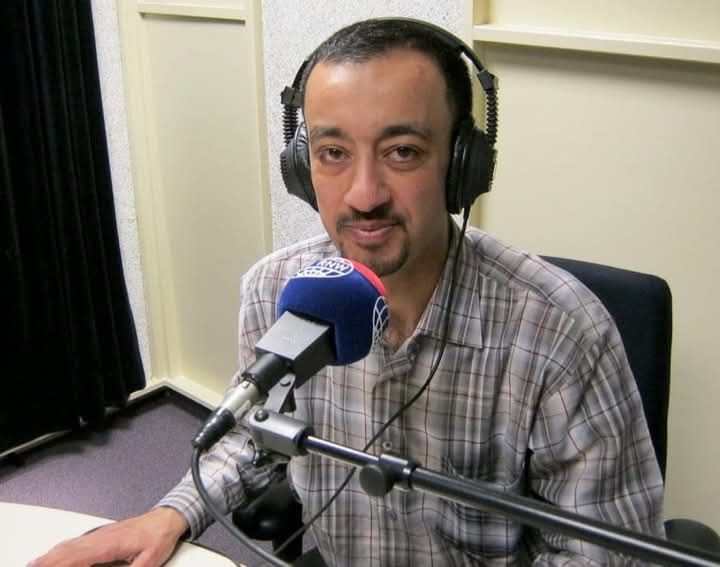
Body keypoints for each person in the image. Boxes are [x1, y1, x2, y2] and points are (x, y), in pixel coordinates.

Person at [31, 18, 664, 566]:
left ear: (462, 164)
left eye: (403, 151)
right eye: (333, 152)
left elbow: (606, 552)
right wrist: (167, 515)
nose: (363, 194)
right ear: (301, 167)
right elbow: (251, 438)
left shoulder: (559, 329)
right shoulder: (275, 290)